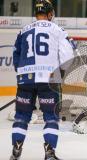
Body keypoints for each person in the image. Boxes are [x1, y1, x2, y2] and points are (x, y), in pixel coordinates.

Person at [10, 0, 74, 159]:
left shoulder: (23, 30)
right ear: (50, 13)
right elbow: (68, 57)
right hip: (49, 80)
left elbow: (16, 54)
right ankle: (49, 152)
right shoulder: (58, 29)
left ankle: (16, 147)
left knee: (21, 116)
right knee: (51, 117)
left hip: (26, 79)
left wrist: (22, 73)